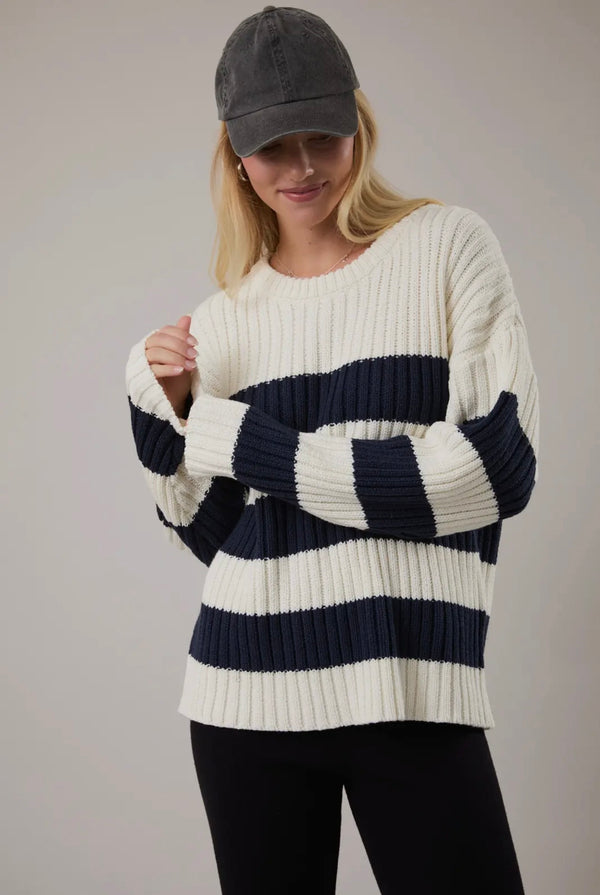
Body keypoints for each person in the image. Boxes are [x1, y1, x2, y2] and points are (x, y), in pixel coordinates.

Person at [125, 6, 539, 894]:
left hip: (410, 688)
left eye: (323, 134)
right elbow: (215, 538)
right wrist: (172, 412)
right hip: (242, 697)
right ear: (237, 156)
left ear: (360, 121)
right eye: (274, 147)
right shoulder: (222, 322)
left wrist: (246, 440)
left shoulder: (447, 248)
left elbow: (492, 471)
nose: (304, 166)